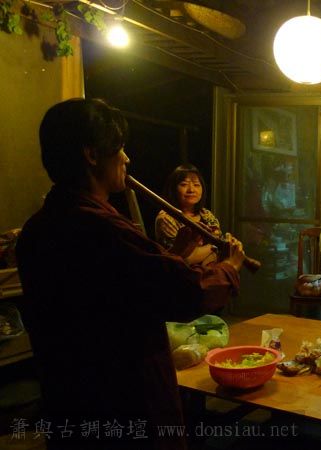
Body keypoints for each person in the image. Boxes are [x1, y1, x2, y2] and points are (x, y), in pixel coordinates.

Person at [16, 98, 245, 450]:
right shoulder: (101, 227)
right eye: (120, 148)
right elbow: (184, 293)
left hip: (69, 399)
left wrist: (174, 253)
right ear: (92, 154)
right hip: (123, 400)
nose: (126, 158)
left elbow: (125, 287)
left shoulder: (37, 229)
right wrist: (229, 267)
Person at [155, 164, 221, 266]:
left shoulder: (206, 214)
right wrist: (213, 247)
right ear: (173, 188)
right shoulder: (166, 218)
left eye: (196, 185)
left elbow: (219, 242)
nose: (191, 190)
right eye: (184, 184)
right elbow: (182, 259)